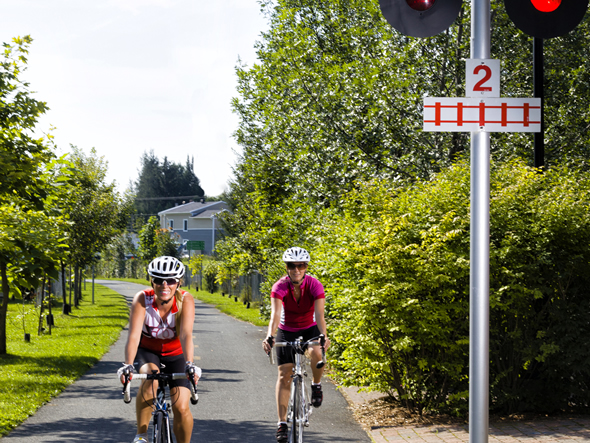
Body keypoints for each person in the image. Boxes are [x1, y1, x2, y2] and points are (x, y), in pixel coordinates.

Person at [118, 256, 200, 443]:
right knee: (150, 380)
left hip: (176, 354)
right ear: (151, 281)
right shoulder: (142, 299)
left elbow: (187, 334)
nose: (165, 285)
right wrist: (128, 366)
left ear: (178, 282)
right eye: (158, 280)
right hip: (148, 352)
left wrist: (189, 365)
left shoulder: (185, 300)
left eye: (170, 280)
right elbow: (133, 335)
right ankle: (141, 434)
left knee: (181, 407)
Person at [262, 247, 331, 443]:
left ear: (306, 267)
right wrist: (270, 335)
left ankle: (316, 385)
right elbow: (275, 315)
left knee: (317, 352)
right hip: (287, 329)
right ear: (287, 267)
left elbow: (319, 315)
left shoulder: (315, 285)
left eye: (300, 265)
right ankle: (282, 423)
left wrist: (324, 336)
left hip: (310, 328)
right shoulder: (279, 287)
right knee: (284, 375)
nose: (296, 269)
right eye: (292, 266)